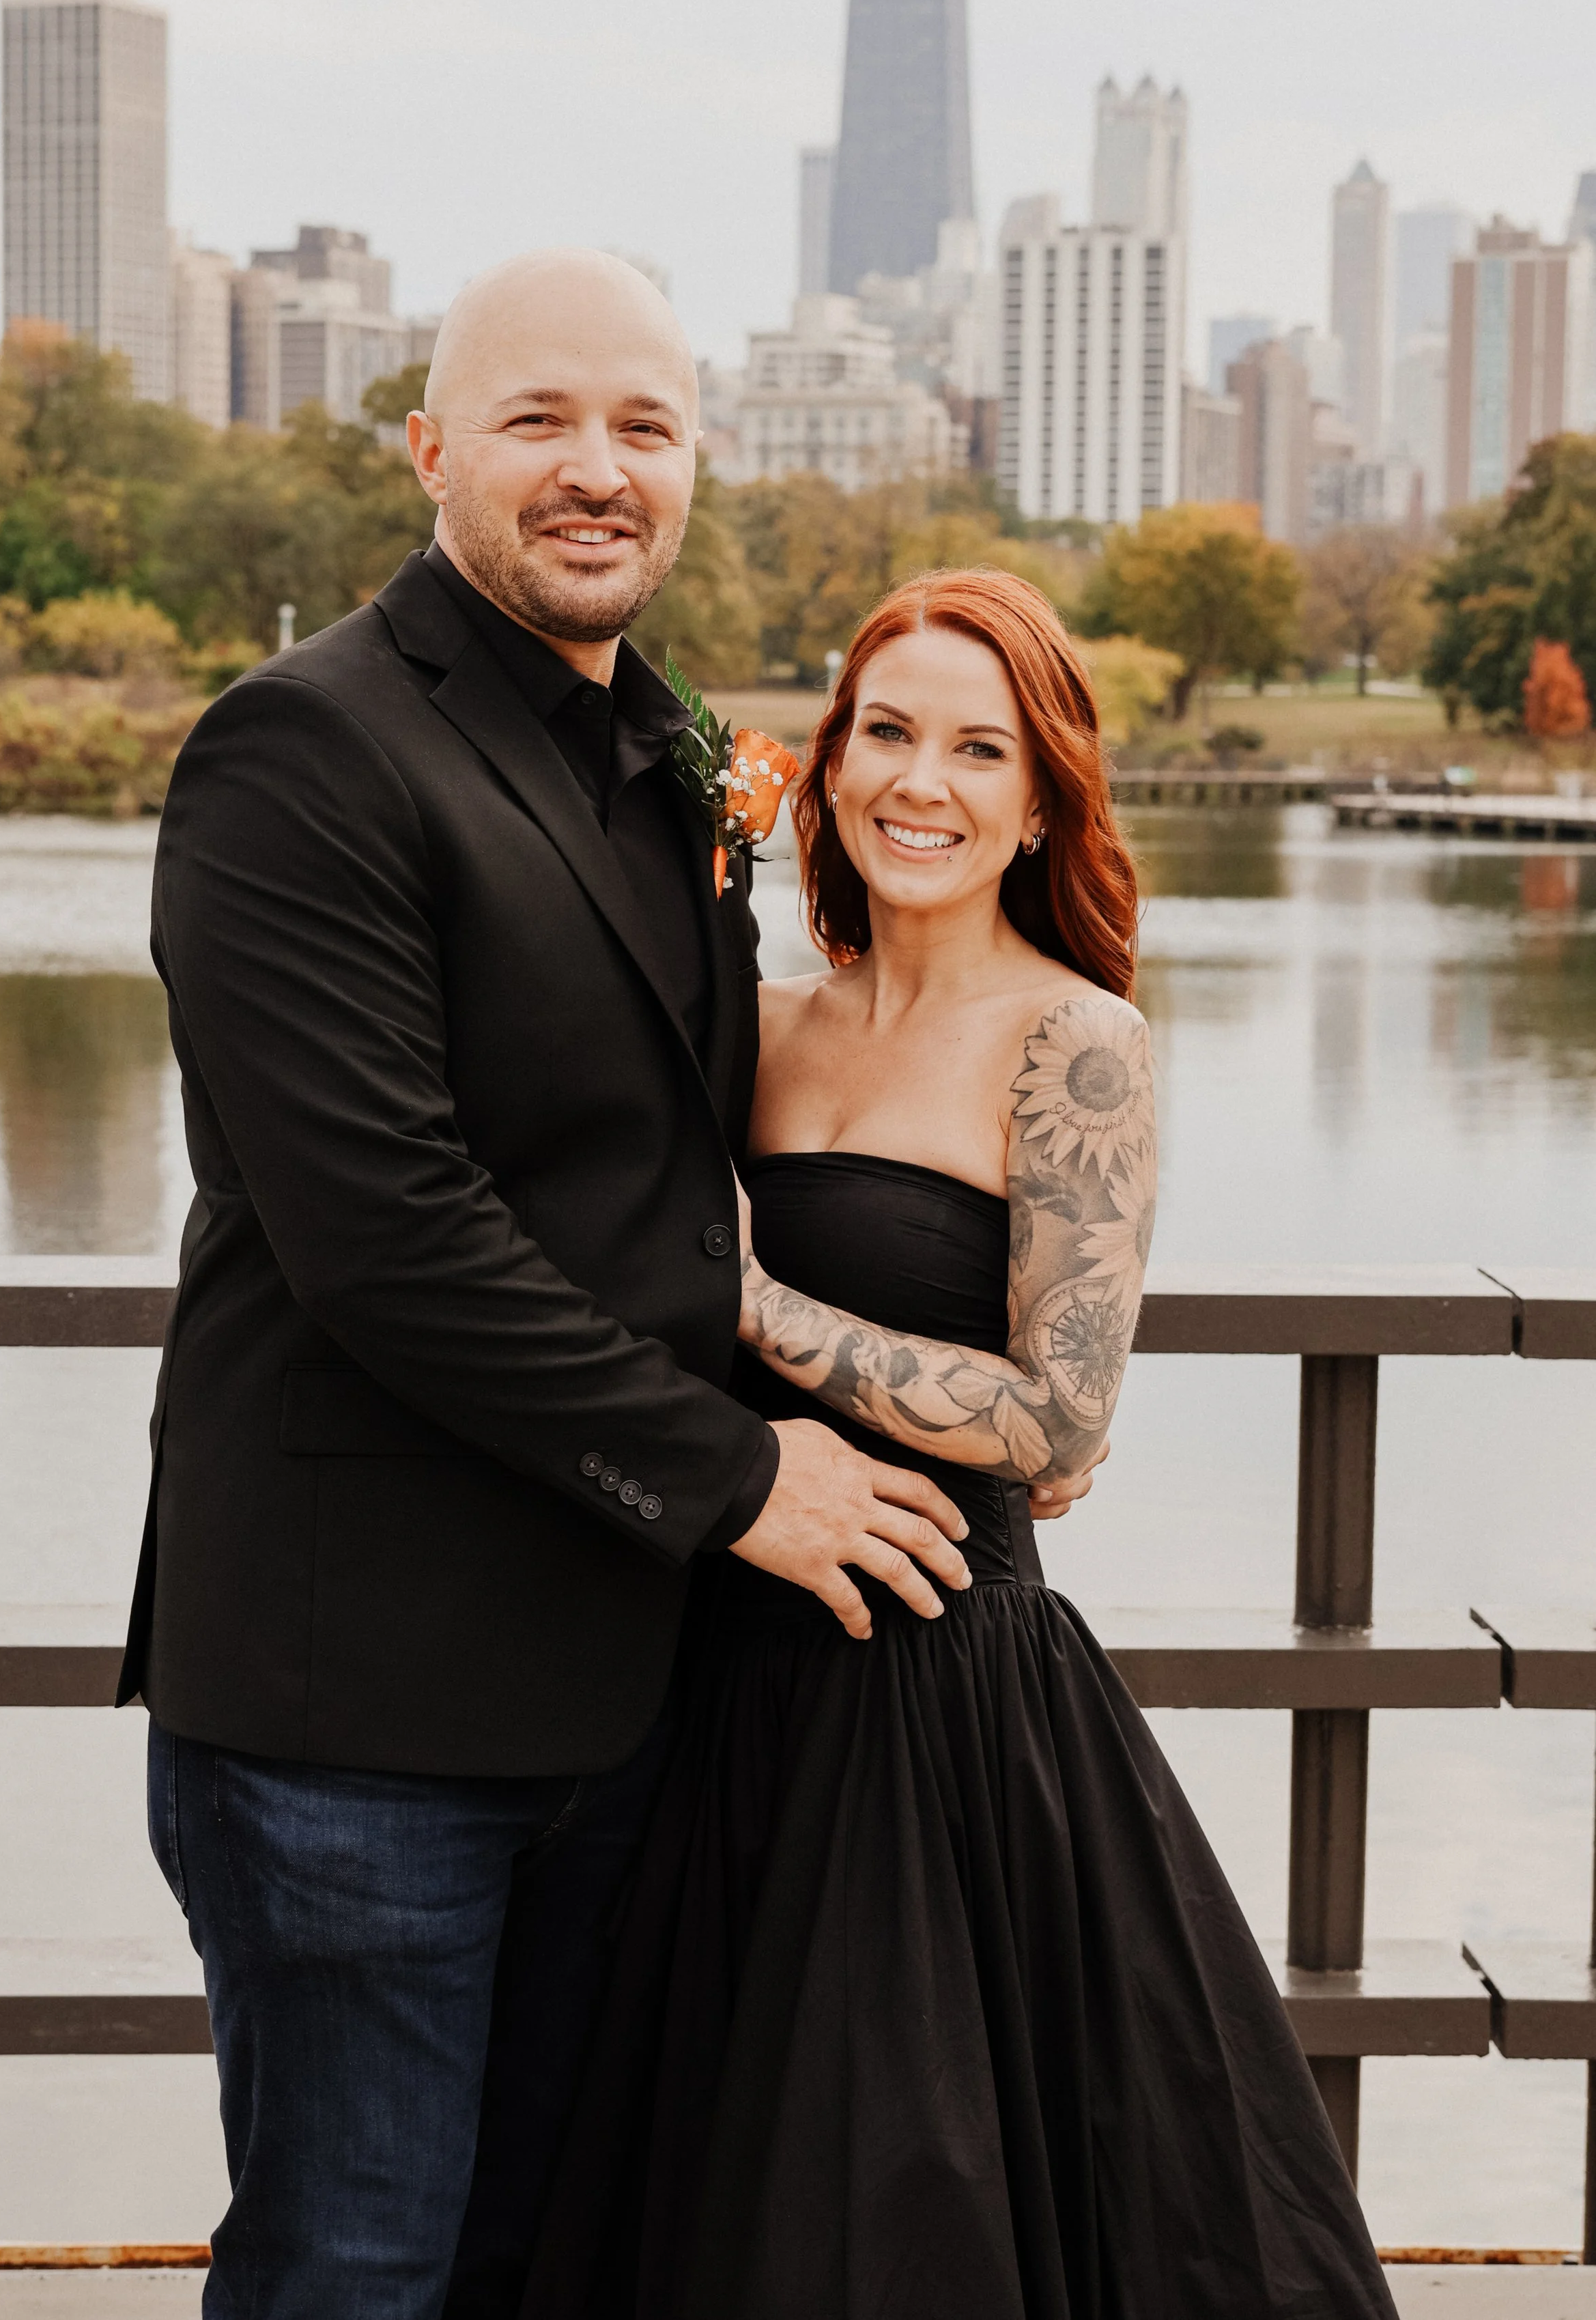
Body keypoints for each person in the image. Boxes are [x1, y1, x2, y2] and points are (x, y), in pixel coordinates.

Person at [115, 248, 974, 2319]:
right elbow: (385, 1230)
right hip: (359, 1707)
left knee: (543, 2259)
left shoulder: (659, 748)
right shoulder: (297, 754)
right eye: (538, 421)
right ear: (429, 447)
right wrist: (742, 1475)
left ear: (695, 464)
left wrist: (967, 1369)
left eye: (643, 427)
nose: (596, 469)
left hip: (619, 1677)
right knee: (357, 2262)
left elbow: (677, 1184)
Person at [524, 569, 1395, 2319]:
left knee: (904, 2198)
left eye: (976, 749)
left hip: (934, 1702)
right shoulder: (753, 1026)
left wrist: (765, 1312)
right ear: (832, 762)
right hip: (703, 1683)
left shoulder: (1071, 1045)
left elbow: (1057, 1420)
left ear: (1036, 799)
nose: (922, 782)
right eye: (888, 733)